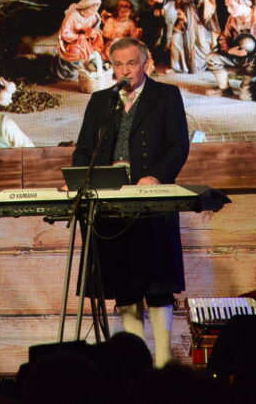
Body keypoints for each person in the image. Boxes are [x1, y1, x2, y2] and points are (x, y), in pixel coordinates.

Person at [72, 38, 189, 367]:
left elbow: (178, 145)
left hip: (152, 198)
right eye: (119, 64)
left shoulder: (166, 95)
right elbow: (84, 150)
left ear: (146, 63)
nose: (125, 70)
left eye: (131, 63)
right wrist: (83, 180)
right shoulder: (101, 101)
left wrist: (156, 177)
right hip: (110, 203)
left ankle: (163, 361)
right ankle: (136, 362)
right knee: (125, 283)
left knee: (157, 280)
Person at [150, 0, 219, 74]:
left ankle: (203, 65)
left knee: (201, 41)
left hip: (198, 11)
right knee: (176, 38)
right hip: (184, 12)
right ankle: (177, 67)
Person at [56, 0, 105, 80]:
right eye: (92, 9)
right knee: (77, 52)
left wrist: (93, 33)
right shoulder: (72, 16)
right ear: (86, 7)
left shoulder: (94, 17)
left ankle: (89, 73)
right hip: (72, 42)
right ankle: (74, 72)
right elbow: (65, 34)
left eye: (96, 10)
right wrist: (80, 36)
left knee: (96, 54)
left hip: (88, 42)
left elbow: (96, 30)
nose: (94, 12)